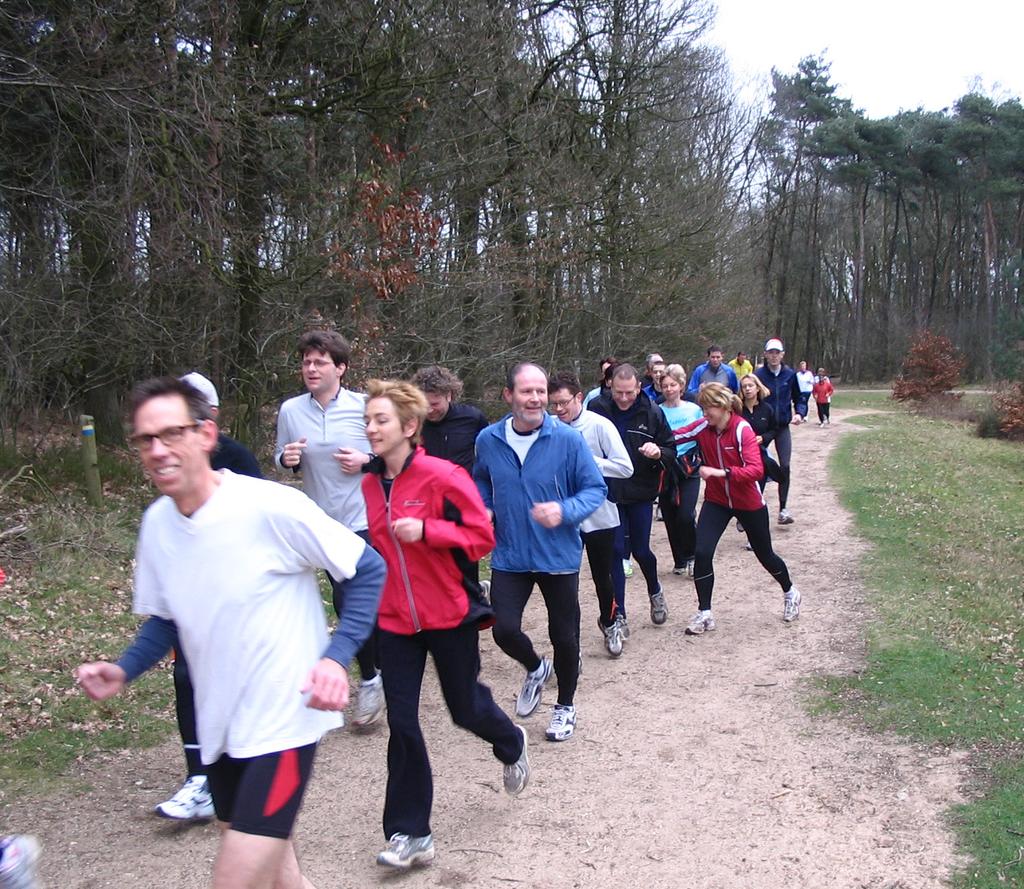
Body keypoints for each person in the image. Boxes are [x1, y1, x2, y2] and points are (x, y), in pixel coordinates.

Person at [76, 376, 385, 889]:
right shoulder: (157, 524)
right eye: (144, 439)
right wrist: (123, 668)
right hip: (219, 724)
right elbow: (169, 618)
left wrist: (336, 657)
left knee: (235, 879)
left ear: (206, 434)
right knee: (279, 873)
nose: (157, 450)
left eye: (171, 434)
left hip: (283, 720)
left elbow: (367, 567)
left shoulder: (267, 506)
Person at [360, 380, 529, 870]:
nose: (370, 429)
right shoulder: (370, 484)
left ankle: (510, 741)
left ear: (409, 427)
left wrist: (428, 531)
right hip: (394, 620)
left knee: (463, 707)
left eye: (380, 420)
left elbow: (482, 537)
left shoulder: (443, 476)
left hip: (448, 615)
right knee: (402, 721)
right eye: (367, 421)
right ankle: (410, 833)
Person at [144, 373, 264, 821]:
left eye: (181, 425)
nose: (163, 447)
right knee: (185, 680)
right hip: (194, 606)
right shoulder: (159, 507)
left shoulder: (240, 461)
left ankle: (242, 765)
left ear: (209, 420)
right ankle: (200, 777)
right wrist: (123, 668)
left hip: (243, 610)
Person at [473, 363, 606, 742]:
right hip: (510, 553)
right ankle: (535, 666)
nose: (535, 399)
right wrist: (485, 507)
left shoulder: (567, 440)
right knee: (503, 629)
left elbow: (594, 490)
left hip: (557, 554)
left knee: (565, 636)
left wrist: (564, 511)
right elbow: (480, 479)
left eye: (540, 392)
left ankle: (565, 706)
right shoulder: (488, 439)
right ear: (508, 396)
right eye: (526, 391)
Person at [274, 330, 385, 726]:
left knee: (353, 599)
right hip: (319, 523)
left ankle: (373, 679)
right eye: (306, 362)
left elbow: (392, 454)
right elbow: (283, 458)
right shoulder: (291, 411)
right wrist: (286, 459)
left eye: (319, 362)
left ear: (341, 368)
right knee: (347, 601)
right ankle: (375, 671)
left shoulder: (363, 407)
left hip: (363, 519)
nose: (310, 368)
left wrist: (366, 459)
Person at [670, 383, 802, 635]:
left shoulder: (742, 429)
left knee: (765, 555)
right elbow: (676, 435)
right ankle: (705, 612)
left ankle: (790, 591)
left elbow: (756, 470)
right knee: (702, 551)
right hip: (717, 501)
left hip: (748, 502)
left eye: (707, 408)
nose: (703, 413)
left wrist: (720, 472)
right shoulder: (703, 427)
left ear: (722, 407)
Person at [548, 372, 633, 657]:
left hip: (599, 515)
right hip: (565, 518)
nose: (559, 410)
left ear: (579, 397)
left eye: (563, 403)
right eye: (554, 405)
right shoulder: (547, 429)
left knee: (602, 577)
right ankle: (571, 645)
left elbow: (625, 467)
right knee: (565, 582)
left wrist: (591, 461)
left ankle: (610, 622)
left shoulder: (600, 426)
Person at [588, 364, 676, 629]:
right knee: (615, 552)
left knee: (640, 550)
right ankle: (620, 613)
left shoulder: (653, 412)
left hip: (640, 491)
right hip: (608, 492)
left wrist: (658, 452)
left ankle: (655, 589)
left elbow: (671, 450)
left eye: (629, 392)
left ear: (639, 388)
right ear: (609, 387)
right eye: (618, 392)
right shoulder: (596, 409)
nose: (624, 398)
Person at [656, 364, 703, 577]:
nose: (669, 389)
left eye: (672, 385)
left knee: (685, 514)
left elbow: (703, 435)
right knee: (670, 515)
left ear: (681, 386)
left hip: (689, 467)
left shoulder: (693, 409)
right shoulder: (656, 410)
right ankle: (680, 559)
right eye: (664, 385)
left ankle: (693, 556)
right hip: (665, 468)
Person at [754, 338, 806, 524]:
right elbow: (749, 397)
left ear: (782, 354)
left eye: (777, 352)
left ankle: (783, 509)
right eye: (771, 352)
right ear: (766, 354)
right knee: (758, 467)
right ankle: (750, 509)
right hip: (763, 427)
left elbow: (799, 398)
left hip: (782, 426)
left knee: (784, 466)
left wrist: (800, 413)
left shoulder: (790, 375)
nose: (774, 356)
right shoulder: (758, 375)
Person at [411, 365, 488, 474]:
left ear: (449, 395)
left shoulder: (472, 418)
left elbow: (487, 455)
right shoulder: (412, 424)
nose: (429, 410)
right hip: (426, 486)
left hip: (463, 486)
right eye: (423, 404)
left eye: (435, 404)